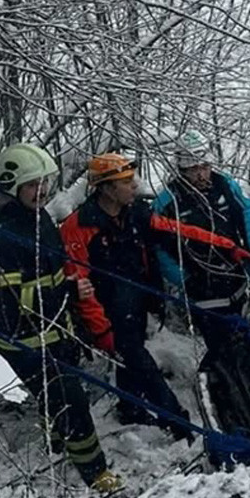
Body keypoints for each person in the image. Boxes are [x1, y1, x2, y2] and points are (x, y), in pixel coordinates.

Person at [0, 143, 120, 492]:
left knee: (59, 395)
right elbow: (12, 305)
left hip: (55, 326)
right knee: (70, 398)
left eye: (44, 183)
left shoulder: (39, 219)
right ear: (11, 187)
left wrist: (69, 289)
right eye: (31, 185)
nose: (40, 191)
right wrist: (67, 293)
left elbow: (50, 275)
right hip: (23, 339)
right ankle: (96, 475)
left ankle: (57, 442)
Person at [60, 153, 192, 441]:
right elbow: (79, 281)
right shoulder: (79, 226)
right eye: (126, 182)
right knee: (141, 363)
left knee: (133, 360)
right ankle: (180, 423)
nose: (135, 186)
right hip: (107, 313)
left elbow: (178, 231)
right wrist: (100, 328)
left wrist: (229, 246)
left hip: (134, 302)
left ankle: (131, 407)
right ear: (107, 188)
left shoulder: (133, 213)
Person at [152, 129, 250, 371]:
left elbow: (248, 211)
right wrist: (183, 279)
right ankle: (221, 376)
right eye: (194, 169)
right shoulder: (168, 202)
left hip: (234, 274)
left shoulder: (224, 185)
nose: (201, 174)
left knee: (242, 331)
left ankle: (243, 371)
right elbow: (158, 248)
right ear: (182, 170)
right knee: (219, 341)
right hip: (200, 284)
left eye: (204, 167)